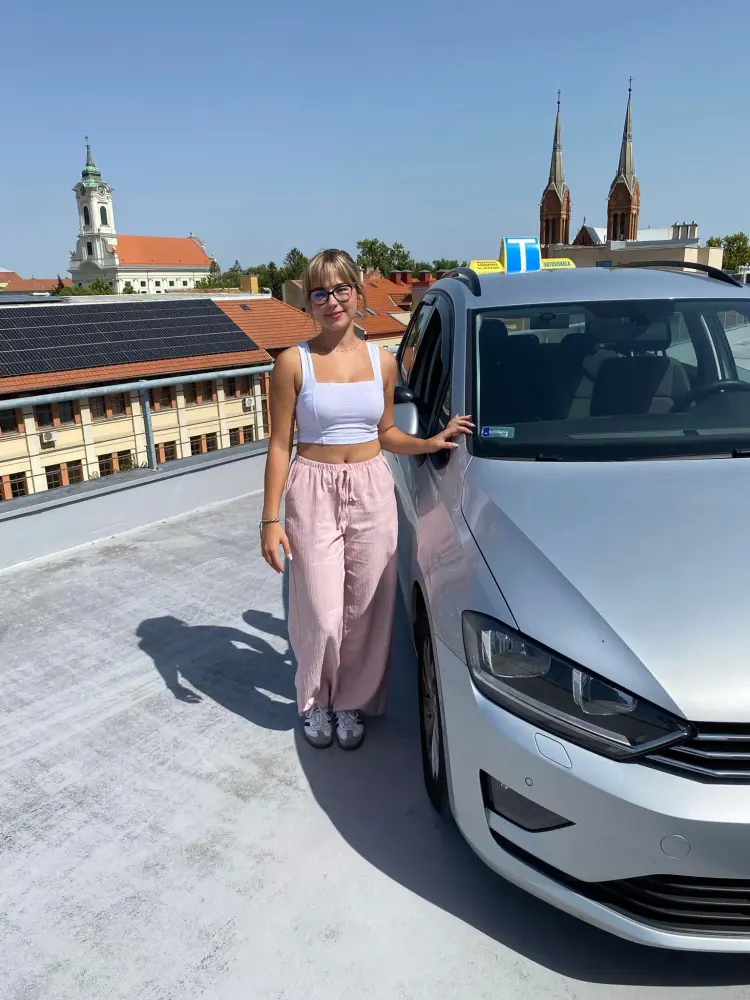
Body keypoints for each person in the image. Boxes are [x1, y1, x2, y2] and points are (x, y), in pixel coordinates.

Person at [260, 249, 473, 750]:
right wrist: (270, 519)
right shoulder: (293, 363)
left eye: (341, 289)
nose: (331, 301)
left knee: (366, 607)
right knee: (319, 608)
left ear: (357, 293)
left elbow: (385, 432)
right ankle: (317, 698)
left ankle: (350, 700)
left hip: (371, 487)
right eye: (320, 292)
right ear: (308, 301)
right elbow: (279, 444)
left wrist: (429, 442)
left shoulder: (383, 362)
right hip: (312, 488)